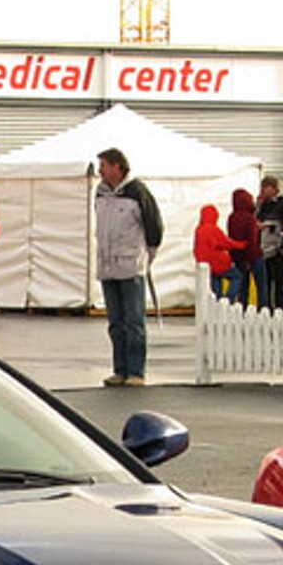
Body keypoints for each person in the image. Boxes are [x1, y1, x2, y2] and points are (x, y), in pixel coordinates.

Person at [94, 146, 163, 386]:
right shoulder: (100, 194)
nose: (100, 171)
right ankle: (120, 369)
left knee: (133, 321)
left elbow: (154, 226)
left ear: (116, 166)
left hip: (130, 264)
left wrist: (146, 257)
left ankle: (136, 371)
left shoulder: (137, 192)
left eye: (103, 165)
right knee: (115, 322)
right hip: (107, 264)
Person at [253, 175, 283, 311]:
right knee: (266, 280)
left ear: (272, 188)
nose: (262, 191)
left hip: (278, 249)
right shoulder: (263, 205)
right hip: (264, 248)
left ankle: (281, 306)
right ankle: (267, 307)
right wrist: (258, 206)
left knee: (279, 280)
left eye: (264, 188)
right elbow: (254, 219)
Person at [194, 204, 244, 304]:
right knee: (237, 277)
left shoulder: (199, 230)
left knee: (216, 288)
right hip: (219, 263)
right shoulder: (213, 230)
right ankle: (228, 299)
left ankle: (217, 305)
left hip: (206, 265)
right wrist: (242, 245)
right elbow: (227, 244)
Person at [224, 186, 260, 305]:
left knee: (243, 286)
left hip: (238, 256)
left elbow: (231, 238)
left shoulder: (231, 218)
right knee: (261, 286)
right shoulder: (250, 219)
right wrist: (250, 258)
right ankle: (263, 308)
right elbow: (252, 239)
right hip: (253, 256)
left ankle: (241, 308)